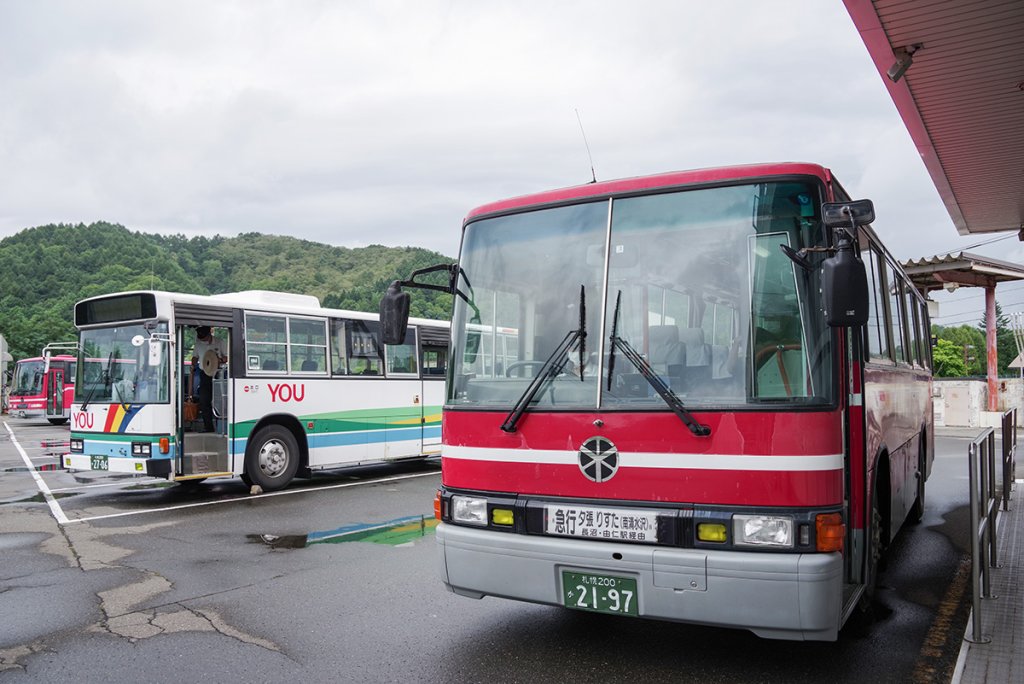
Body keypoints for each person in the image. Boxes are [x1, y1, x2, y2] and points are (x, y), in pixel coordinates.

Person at [191, 326, 227, 432]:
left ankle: (221, 427)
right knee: (204, 400)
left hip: (218, 373)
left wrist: (219, 360)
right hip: (205, 373)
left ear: (209, 334)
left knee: (220, 400)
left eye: (204, 338)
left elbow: (227, 357)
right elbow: (195, 357)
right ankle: (208, 427)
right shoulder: (198, 344)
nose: (202, 340)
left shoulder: (220, 342)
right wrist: (193, 366)